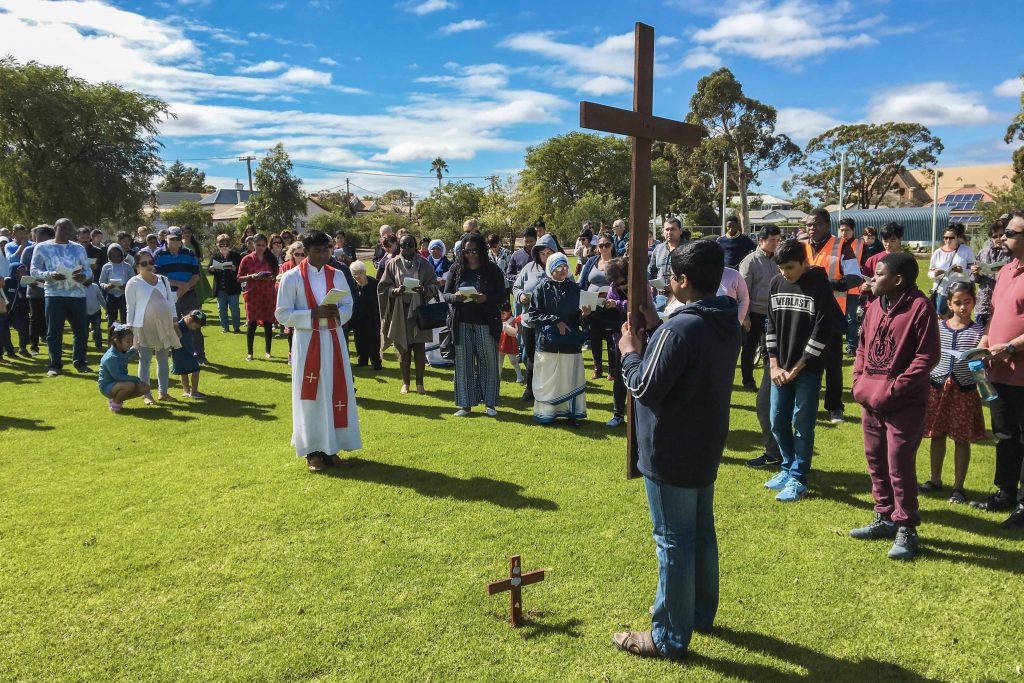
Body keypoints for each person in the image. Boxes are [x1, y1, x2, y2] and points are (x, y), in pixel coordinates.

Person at [612, 240, 741, 661]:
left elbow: (646, 387)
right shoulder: (725, 319)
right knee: (700, 533)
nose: (667, 283)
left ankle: (667, 635)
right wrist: (657, 324)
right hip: (704, 442)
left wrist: (630, 354)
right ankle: (700, 612)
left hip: (671, 448)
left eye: (670, 277)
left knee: (673, 540)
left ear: (683, 280)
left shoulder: (678, 330)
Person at [850, 252, 940, 560]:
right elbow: (862, 346)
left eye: (879, 274)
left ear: (898, 280)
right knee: (875, 459)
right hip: (870, 398)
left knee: (899, 462)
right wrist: (858, 380)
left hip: (905, 402)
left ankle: (906, 527)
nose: (872, 279)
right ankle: (884, 516)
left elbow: (927, 357)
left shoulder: (920, 307)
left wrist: (894, 389)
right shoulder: (875, 306)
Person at [275, 230, 361, 472]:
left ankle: (331, 448)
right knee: (310, 396)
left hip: (333, 340)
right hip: (307, 341)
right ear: (306, 251)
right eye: (317, 250)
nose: (323, 254)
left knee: (334, 392)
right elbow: (281, 313)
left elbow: (348, 305)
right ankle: (312, 452)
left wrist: (337, 313)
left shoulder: (338, 275)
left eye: (326, 249)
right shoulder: (291, 277)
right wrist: (312, 314)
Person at [762, 239, 835, 502]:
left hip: (808, 369)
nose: (785, 273)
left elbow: (822, 330)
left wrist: (798, 367)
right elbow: (770, 325)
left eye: (790, 267)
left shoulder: (820, 285)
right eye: (781, 267)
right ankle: (787, 467)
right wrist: (773, 364)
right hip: (779, 369)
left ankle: (799, 479)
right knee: (777, 421)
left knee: (802, 424)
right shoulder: (775, 284)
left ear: (805, 262)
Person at [972, 211, 1024, 528]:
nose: (1003, 237)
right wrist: (984, 344)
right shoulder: (1005, 272)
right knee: (1004, 435)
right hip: (998, 371)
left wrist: (1010, 347)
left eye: (1010, 233)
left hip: (1020, 371)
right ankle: (1004, 492)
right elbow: (993, 315)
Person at [920, 281, 986, 504]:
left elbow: (984, 361)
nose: (963, 307)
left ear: (974, 303)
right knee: (936, 435)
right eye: (957, 303)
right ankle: (935, 479)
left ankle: (958, 487)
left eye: (967, 302)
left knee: (961, 439)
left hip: (964, 390)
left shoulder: (979, 331)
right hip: (937, 388)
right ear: (948, 303)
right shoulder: (939, 327)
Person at [803, 207, 863, 424]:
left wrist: (833, 285)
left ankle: (835, 407)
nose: (811, 228)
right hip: (803, 315)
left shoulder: (841, 246)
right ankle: (806, 405)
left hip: (831, 315)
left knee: (833, 365)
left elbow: (856, 277)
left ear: (827, 225)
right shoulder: (800, 246)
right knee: (805, 363)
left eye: (816, 224)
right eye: (809, 224)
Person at [442, 232, 505, 416]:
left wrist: (486, 298)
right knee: (464, 364)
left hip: (486, 323)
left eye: (475, 251)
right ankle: (465, 404)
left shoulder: (492, 270)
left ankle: (490, 404)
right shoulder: (456, 269)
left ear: (482, 251)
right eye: (467, 251)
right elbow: (445, 294)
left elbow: (502, 297)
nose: (471, 255)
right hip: (462, 323)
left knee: (489, 364)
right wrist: (456, 297)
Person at [526, 252, 590, 425]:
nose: (562, 270)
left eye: (564, 267)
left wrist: (585, 315)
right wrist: (555, 322)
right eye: (558, 267)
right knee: (549, 380)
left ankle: (572, 413)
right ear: (551, 269)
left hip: (570, 343)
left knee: (569, 378)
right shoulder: (541, 288)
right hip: (548, 342)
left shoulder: (575, 289)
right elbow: (533, 314)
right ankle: (548, 413)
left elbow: (578, 319)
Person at [29, 217, 94, 376]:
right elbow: (34, 271)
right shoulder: (43, 247)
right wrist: (51, 275)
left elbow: (88, 270)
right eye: (63, 228)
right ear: (55, 229)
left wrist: (83, 276)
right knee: (54, 332)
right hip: (54, 294)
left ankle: (80, 362)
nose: (66, 232)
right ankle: (55, 365)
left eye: (69, 229)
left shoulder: (78, 248)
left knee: (81, 331)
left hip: (77, 294)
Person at [377, 234, 439, 394]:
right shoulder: (393, 264)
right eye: (404, 245)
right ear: (399, 246)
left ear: (415, 246)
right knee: (403, 349)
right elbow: (383, 288)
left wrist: (424, 290)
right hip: (400, 311)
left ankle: (419, 383)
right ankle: (405, 383)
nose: (407, 248)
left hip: (419, 312)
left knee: (419, 348)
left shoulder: (424, 264)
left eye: (410, 245)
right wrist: (394, 291)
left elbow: (434, 284)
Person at [125, 252, 181, 404]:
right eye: (144, 264)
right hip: (143, 326)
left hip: (164, 325)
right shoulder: (133, 283)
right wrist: (130, 330)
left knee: (163, 359)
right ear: (137, 267)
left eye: (151, 262)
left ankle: (163, 393)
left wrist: (175, 323)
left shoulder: (163, 279)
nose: (149, 266)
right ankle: (146, 395)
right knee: (145, 361)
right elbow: (130, 307)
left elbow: (171, 303)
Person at [512, 233, 558, 401]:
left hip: (550, 322)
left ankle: (548, 390)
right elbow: (516, 287)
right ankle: (529, 389)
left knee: (548, 357)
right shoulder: (529, 268)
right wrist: (521, 296)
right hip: (529, 321)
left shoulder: (560, 269)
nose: (545, 257)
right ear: (537, 253)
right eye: (542, 253)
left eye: (549, 253)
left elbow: (570, 289)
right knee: (529, 356)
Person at [738, 224, 782, 391]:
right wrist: (745, 316)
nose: (776, 243)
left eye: (778, 240)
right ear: (761, 240)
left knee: (770, 349)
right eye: (772, 240)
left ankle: (768, 383)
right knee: (749, 349)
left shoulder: (779, 259)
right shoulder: (750, 261)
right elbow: (743, 292)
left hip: (774, 313)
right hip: (755, 313)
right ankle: (748, 382)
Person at [154, 226, 206, 364]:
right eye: (172, 239)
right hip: (169, 294)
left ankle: (200, 354)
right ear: (166, 238)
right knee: (172, 325)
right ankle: (176, 354)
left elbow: (196, 275)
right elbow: (158, 276)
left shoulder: (189, 253)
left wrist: (185, 287)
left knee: (195, 323)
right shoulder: (159, 254)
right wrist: (179, 285)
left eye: (178, 239)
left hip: (188, 294)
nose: (175, 242)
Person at [604, 257, 639, 427]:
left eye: (623, 282)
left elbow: (638, 305)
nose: (620, 286)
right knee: (620, 376)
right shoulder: (613, 288)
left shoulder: (640, 285)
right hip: (620, 337)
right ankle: (618, 414)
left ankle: (638, 414)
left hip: (640, 336)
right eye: (616, 284)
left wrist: (617, 304)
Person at [580, 232, 620, 381]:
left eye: (607, 245)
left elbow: (622, 282)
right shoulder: (592, 262)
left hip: (610, 306)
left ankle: (612, 369)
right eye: (601, 245)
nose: (604, 248)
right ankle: (597, 368)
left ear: (612, 246)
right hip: (592, 305)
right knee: (594, 336)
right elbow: (583, 281)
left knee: (611, 339)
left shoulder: (617, 263)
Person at [237, 234, 280, 361]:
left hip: (268, 294)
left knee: (268, 323)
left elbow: (276, 275)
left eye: (263, 245)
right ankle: (250, 353)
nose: (261, 248)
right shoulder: (247, 259)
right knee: (252, 323)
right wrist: (251, 276)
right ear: (253, 245)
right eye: (258, 245)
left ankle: (268, 351)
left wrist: (270, 277)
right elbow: (239, 278)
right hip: (253, 294)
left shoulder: (270, 259)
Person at [98, 324, 149, 413]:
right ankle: (115, 404)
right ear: (117, 341)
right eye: (128, 341)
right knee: (130, 386)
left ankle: (117, 398)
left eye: (131, 341)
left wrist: (135, 349)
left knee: (145, 388)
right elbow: (118, 376)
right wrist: (136, 379)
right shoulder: (111, 357)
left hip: (118, 383)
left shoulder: (120, 351)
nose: (130, 344)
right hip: (107, 386)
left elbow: (126, 356)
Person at [928, 224, 976, 318]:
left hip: (960, 291)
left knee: (960, 317)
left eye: (951, 238)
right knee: (941, 319)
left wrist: (962, 271)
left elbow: (972, 271)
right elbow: (930, 272)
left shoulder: (966, 251)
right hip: (942, 292)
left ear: (957, 237)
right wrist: (935, 273)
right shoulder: (938, 252)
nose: (947, 240)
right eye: (945, 237)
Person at [971, 219, 1009, 328]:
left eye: (1001, 235)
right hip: (983, 303)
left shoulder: (1011, 253)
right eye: (994, 236)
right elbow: (975, 279)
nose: (998, 239)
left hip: (1002, 302)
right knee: (981, 336)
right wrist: (975, 272)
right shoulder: (983, 252)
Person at [20, 225, 51, 356]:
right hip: (34, 291)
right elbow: (22, 271)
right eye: (37, 237)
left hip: (51, 290)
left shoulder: (52, 250)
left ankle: (52, 346)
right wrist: (32, 281)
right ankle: (34, 346)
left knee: (50, 319)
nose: (38, 240)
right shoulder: (28, 250)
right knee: (35, 318)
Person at [838, 218, 865, 355]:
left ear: (853, 230)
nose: (844, 233)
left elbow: (866, 266)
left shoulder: (861, 245)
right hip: (836, 290)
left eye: (847, 230)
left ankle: (851, 347)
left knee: (851, 318)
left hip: (853, 289)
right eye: (841, 230)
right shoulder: (835, 246)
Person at [349, 260, 382, 369]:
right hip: (357, 317)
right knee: (359, 340)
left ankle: (376, 363)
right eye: (355, 274)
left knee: (373, 340)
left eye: (360, 273)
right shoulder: (352, 285)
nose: (358, 276)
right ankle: (362, 361)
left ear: (364, 272)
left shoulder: (374, 283)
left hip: (372, 317)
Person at [209, 234, 243, 334]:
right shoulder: (215, 256)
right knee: (221, 309)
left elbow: (241, 270)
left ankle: (236, 327)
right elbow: (209, 269)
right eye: (221, 244)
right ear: (217, 245)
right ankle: (225, 328)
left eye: (226, 244)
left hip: (233, 287)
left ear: (230, 245)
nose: (224, 246)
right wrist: (211, 269)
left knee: (234, 309)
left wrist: (235, 268)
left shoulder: (236, 256)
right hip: (220, 288)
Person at [171, 310, 207, 398]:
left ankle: (187, 391)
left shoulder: (187, 326)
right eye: (195, 326)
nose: (195, 329)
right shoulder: (178, 326)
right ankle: (193, 392)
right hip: (181, 352)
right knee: (195, 370)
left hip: (186, 352)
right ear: (190, 319)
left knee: (184, 372)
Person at [98, 243, 133, 326]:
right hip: (111, 296)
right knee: (111, 320)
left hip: (124, 296)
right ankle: (112, 337)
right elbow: (101, 281)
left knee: (125, 320)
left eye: (118, 256)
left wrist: (126, 286)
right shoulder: (106, 267)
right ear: (109, 256)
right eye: (113, 256)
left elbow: (133, 280)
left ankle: (125, 337)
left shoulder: (127, 266)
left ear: (122, 254)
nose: (115, 258)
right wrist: (106, 286)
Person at [498, 301, 524, 384]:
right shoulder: (500, 320)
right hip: (501, 343)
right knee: (499, 361)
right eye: (500, 313)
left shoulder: (513, 320)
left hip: (510, 344)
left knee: (513, 361)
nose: (502, 315)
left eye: (503, 313)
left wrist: (507, 327)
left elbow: (514, 332)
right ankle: (498, 376)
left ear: (509, 311)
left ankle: (520, 376)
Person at [506, 227, 536, 292]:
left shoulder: (541, 254)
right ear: (523, 240)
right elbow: (508, 275)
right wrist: (518, 277)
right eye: (526, 241)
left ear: (536, 240)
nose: (528, 244)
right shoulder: (516, 255)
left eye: (531, 241)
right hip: (521, 293)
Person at [84, 282, 105, 351]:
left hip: (96, 312)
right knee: (84, 331)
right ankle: (83, 346)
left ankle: (99, 346)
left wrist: (106, 308)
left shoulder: (95, 286)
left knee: (97, 329)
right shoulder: (79, 287)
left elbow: (100, 298)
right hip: (84, 313)